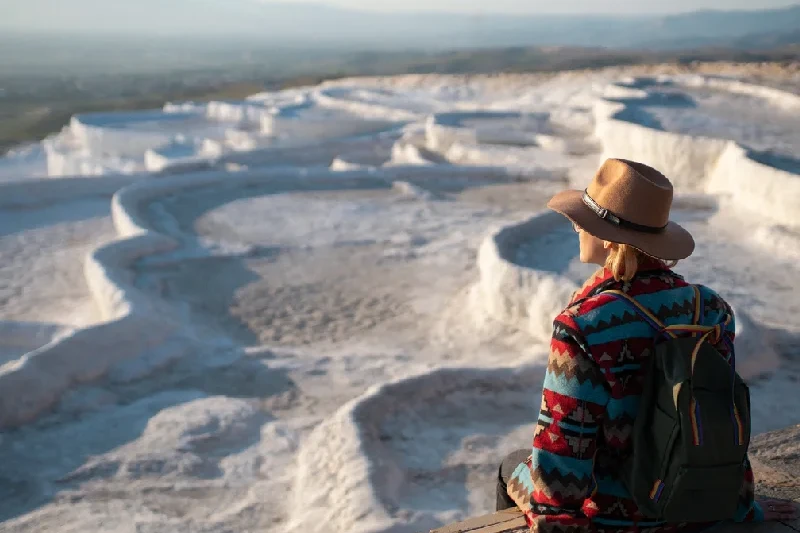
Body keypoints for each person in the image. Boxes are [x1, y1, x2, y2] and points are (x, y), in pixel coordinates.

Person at [495, 158, 798, 532]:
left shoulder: (582, 326)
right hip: (699, 504)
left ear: (608, 238)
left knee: (512, 465)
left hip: (619, 518)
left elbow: (561, 470)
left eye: (582, 222)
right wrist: (742, 502)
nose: (575, 227)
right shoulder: (712, 309)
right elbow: (714, 414)